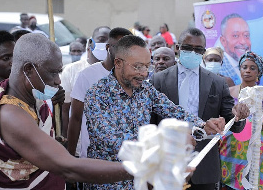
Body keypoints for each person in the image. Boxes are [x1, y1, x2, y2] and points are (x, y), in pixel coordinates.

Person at [83, 35, 247, 189]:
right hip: (109, 182)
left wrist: (203, 125)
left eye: (147, 66)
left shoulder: (145, 89)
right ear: (118, 63)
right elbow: (112, 141)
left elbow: (174, 111)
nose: (144, 73)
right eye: (138, 66)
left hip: (142, 182)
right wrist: (170, 142)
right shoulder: (98, 94)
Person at [0, 33, 132, 189]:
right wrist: (136, 169)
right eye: (53, 72)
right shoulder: (11, 116)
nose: (58, 80)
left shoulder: (30, 96)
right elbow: (69, 168)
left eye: (59, 71)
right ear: (28, 69)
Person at [151, 27, 248, 190]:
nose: (193, 53)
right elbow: (151, 123)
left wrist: (240, 115)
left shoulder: (217, 82)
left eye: (198, 50)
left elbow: (234, 122)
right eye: (188, 48)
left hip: (204, 167)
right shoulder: (159, 80)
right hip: (167, 164)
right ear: (177, 48)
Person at [67, 27, 132, 158]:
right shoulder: (87, 75)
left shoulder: (133, 77)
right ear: (108, 47)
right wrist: (70, 157)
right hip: (92, 160)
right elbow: (75, 118)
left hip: (126, 160)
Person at [219, 51, 263, 190]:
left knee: (253, 180)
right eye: (245, 67)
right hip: (230, 147)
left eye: (252, 68)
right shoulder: (229, 92)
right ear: (240, 69)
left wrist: (254, 123)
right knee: (228, 182)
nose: (248, 71)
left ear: (259, 72)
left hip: (255, 147)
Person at [61, 26, 111, 139]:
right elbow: (65, 109)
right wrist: (66, 139)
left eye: (109, 41)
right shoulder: (72, 70)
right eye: (102, 39)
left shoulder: (116, 72)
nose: (106, 44)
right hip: (79, 142)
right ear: (90, 42)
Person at [219, 13, 251, 85]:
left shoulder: (253, 64)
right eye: (235, 36)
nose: (243, 41)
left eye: (246, 35)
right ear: (223, 41)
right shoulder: (218, 70)